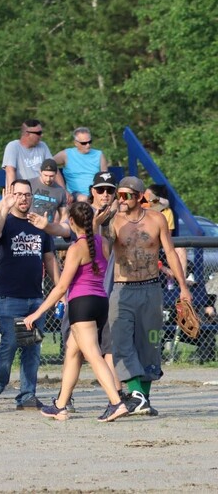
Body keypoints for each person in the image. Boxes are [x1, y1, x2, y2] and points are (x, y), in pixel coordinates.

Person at [24, 202, 128, 422]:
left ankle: (116, 402)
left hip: (82, 304)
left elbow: (61, 287)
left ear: (71, 222)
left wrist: (37, 313)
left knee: (93, 355)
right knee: (73, 349)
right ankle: (61, 405)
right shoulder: (103, 242)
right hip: (100, 301)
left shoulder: (76, 248)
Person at [109, 176, 191, 415]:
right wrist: (105, 218)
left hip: (151, 288)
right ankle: (136, 395)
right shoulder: (114, 221)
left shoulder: (156, 219)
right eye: (118, 195)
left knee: (149, 344)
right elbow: (102, 247)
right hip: (122, 288)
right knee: (121, 341)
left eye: (125, 195)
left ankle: (142, 399)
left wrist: (183, 288)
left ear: (139, 196)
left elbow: (170, 253)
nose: (121, 200)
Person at [0, 179, 60, 410]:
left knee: (32, 347)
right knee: (9, 343)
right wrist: (3, 208)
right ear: (12, 196)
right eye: (19, 194)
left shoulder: (39, 224)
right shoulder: (5, 221)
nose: (24, 198)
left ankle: (27, 395)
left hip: (35, 297)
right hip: (9, 296)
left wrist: (61, 290)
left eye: (27, 194)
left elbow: (50, 259)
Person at [2, 119, 64, 187]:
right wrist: (12, 192)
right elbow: (10, 172)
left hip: (44, 190)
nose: (41, 135)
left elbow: (54, 168)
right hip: (24, 190)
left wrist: (64, 191)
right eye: (38, 133)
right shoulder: (13, 146)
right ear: (27, 134)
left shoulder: (43, 146)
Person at [54, 127, 108, 202]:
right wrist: (62, 188)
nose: (88, 145)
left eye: (90, 142)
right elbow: (48, 164)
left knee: (114, 202)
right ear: (76, 143)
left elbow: (106, 178)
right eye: (84, 143)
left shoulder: (99, 155)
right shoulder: (66, 154)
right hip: (75, 194)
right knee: (83, 199)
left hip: (97, 193)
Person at [29, 158, 68, 224]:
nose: (48, 179)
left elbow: (64, 215)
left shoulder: (60, 191)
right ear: (40, 172)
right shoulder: (29, 184)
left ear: (56, 174)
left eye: (51, 176)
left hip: (48, 228)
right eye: (45, 175)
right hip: (29, 224)